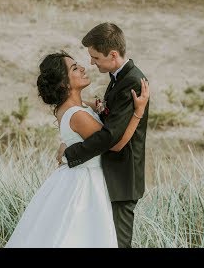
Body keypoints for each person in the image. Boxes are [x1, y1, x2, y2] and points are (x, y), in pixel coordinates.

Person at [5, 51, 149, 248]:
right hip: (88, 183)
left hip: (78, 176)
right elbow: (114, 143)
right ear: (64, 83)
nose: (82, 68)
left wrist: (98, 109)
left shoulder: (72, 107)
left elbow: (90, 116)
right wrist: (138, 113)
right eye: (74, 68)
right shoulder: (77, 115)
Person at [57, 22, 150, 248]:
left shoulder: (132, 82)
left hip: (122, 179)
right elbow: (112, 119)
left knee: (119, 244)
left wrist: (71, 154)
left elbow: (111, 139)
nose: (91, 62)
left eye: (96, 58)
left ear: (113, 54)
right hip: (109, 177)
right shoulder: (119, 78)